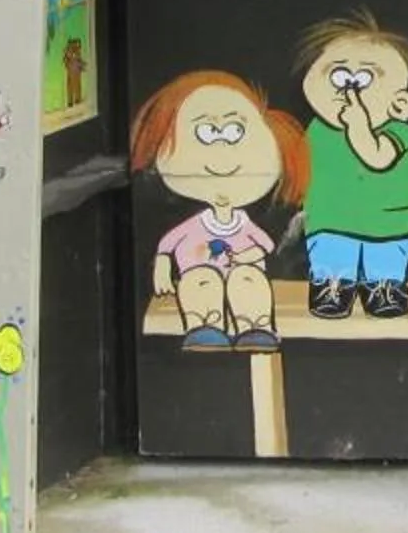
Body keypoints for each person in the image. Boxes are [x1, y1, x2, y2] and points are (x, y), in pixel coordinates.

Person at [128, 70, 307, 353]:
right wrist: (162, 265)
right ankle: (204, 327)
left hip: (243, 273)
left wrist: (244, 257)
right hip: (199, 274)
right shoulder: (194, 224)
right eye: (207, 132)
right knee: (201, 280)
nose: (222, 151)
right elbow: (167, 247)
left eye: (234, 131)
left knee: (247, 279)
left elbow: (265, 246)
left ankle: (256, 326)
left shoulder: (245, 222)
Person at [293, 13, 408, 320]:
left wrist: (359, 126)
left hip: (391, 224)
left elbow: (377, 157)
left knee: (385, 264)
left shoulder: (401, 134)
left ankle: (385, 288)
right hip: (331, 219)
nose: (349, 91)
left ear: (401, 102)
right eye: (339, 77)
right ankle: (332, 287)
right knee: (332, 256)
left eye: (364, 79)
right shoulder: (317, 130)